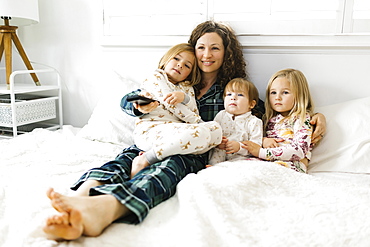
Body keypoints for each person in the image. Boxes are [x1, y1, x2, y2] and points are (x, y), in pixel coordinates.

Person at [43, 21, 326, 240]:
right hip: (158, 136)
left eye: (215, 48)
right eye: (201, 48)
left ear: (226, 53)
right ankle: (83, 195)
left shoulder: (233, 89)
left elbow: (271, 110)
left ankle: (105, 209)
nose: (206, 54)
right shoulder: (174, 79)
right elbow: (130, 98)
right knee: (126, 156)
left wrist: (315, 114)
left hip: (193, 151)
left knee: (167, 169)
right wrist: (139, 105)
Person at [131, 43, 222, 176]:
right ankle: (146, 158)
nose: (180, 65)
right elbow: (171, 105)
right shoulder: (156, 77)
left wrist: (184, 98)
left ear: (190, 73)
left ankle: (205, 159)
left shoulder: (187, 88)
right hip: (151, 131)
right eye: (177, 59)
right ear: (167, 59)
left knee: (216, 129)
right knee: (203, 133)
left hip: (175, 132)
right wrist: (201, 124)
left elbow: (193, 112)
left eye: (187, 65)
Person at [242, 68, 314, 173]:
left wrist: (261, 152)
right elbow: (253, 139)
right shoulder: (267, 119)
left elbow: (299, 151)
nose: (277, 97)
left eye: (285, 92)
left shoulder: (302, 119)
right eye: (273, 92)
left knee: (264, 172)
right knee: (242, 166)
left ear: (299, 95)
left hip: (290, 164)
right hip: (266, 160)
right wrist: (263, 140)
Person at [208, 78, 263, 165]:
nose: (233, 97)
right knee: (216, 153)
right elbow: (211, 134)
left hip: (241, 162)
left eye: (240, 95)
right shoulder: (221, 115)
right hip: (217, 162)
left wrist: (239, 147)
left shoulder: (254, 122)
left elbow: (256, 146)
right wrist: (217, 142)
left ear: (251, 104)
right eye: (229, 94)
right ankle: (213, 168)